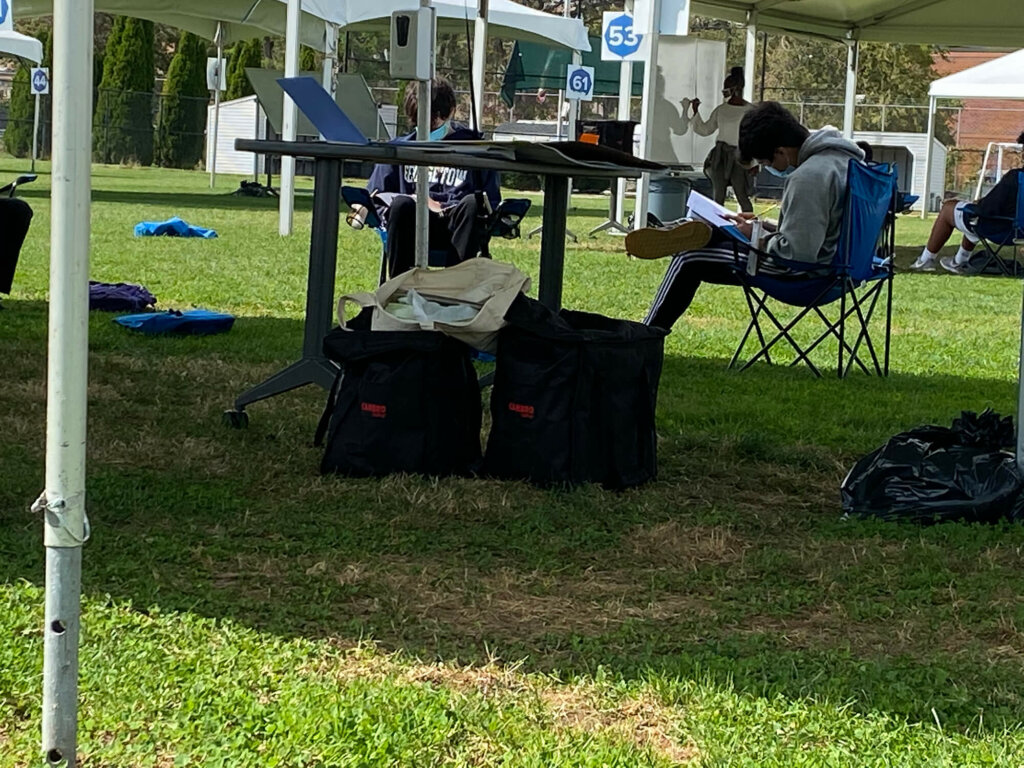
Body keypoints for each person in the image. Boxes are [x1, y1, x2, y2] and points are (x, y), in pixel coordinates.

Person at [627, 102, 865, 330]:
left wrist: (756, 235)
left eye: (763, 162)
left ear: (780, 151)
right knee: (725, 231)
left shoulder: (808, 177)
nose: (764, 168)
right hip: (844, 268)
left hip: (805, 273)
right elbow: (820, 230)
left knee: (691, 257)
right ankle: (687, 229)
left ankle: (648, 332)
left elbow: (796, 252)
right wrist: (764, 227)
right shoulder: (845, 162)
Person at [366, 77, 501, 278]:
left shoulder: (476, 148)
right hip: (410, 229)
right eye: (421, 120)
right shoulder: (398, 149)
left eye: (435, 120)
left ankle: (454, 289)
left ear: (452, 111)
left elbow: (490, 201)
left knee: (474, 203)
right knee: (400, 204)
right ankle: (401, 288)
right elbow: (375, 197)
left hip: (457, 228)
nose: (429, 127)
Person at [910, 129, 1024, 274]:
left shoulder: (1016, 177)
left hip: (1002, 230)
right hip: (1019, 232)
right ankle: (959, 261)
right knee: (970, 215)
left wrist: (978, 204)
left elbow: (989, 207)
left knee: (949, 209)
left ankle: (925, 260)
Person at [686, 66, 755, 212]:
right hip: (720, 155)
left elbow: (754, 138)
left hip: (739, 156)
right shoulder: (721, 109)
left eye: (726, 90)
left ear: (736, 89)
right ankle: (717, 227)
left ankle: (750, 228)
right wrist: (696, 112)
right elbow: (705, 130)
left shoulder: (750, 111)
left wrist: (754, 162)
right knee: (718, 195)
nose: (724, 94)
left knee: (741, 194)